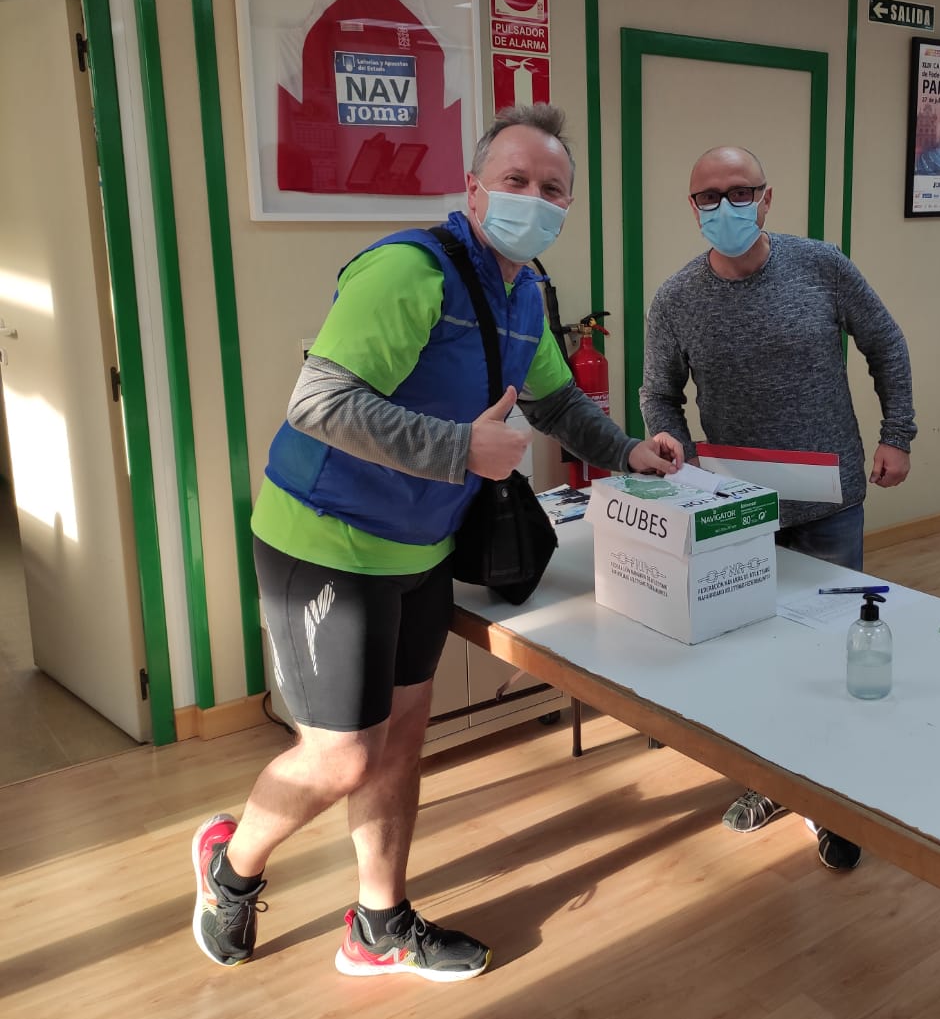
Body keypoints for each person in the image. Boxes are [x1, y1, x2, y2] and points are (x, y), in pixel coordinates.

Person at [191, 104, 683, 982]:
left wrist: (629, 449)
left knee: (402, 740)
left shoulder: (525, 292)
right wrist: (461, 448)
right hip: (326, 541)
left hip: (420, 549)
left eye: (553, 188)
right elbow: (318, 402)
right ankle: (231, 863)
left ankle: (377, 923)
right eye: (516, 181)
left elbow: (557, 404)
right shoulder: (408, 272)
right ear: (473, 189)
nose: (534, 199)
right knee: (342, 753)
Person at [641, 145, 917, 871]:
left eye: (740, 192)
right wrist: (678, 455)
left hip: (829, 500)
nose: (725, 206)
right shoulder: (676, 300)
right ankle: (774, 780)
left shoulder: (821, 266)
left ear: (766, 199)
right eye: (709, 196)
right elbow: (658, 394)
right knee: (754, 656)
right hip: (737, 510)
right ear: (692, 208)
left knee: (831, 654)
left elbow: (885, 342)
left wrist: (898, 434)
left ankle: (835, 797)